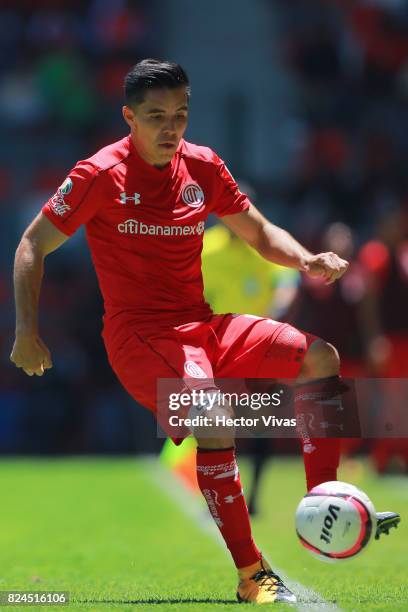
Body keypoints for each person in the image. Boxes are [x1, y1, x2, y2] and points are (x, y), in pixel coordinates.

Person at [10, 59, 400, 605]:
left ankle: (323, 504)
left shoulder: (204, 166)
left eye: (180, 115)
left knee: (321, 358)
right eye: (156, 117)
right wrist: (27, 329)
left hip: (203, 324)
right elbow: (32, 244)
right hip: (140, 337)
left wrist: (306, 258)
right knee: (215, 416)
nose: (171, 128)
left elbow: (260, 233)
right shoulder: (98, 175)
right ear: (129, 117)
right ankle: (252, 576)